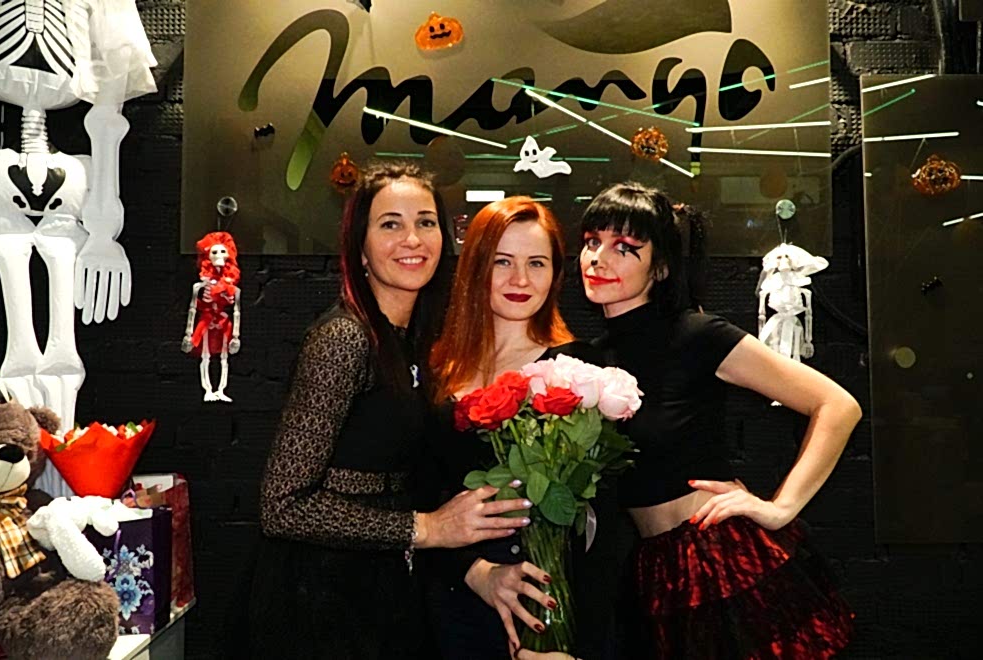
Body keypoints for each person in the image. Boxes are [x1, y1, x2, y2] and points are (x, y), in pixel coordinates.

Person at [248, 163, 530, 659]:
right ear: (360, 247)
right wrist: (427, 528)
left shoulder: (412, 341)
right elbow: (283, 506)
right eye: (390, 224)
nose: (412, 239)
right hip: (320, 602)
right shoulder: (343, 339)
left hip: (384, 590)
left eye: (426, 222)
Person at [577, 182, 859, 659]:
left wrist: (781, 508)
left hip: (718, 559)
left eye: (625, 248)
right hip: (652, 569)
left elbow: (838, 405)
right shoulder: (591, 358)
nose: (598, 259)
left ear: (660, 267)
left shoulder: (696, 334)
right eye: (592, 242)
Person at [423, 196, 634, 660]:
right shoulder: (436, 371)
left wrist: (576, 644)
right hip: (456, 610)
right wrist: (475, 571)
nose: (520, 279)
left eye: (536, 263)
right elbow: (419, 500)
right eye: (503, 262)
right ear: (475, 267)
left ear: (555, 274)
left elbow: (604, 531)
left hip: (549, 616)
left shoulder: (579, 372)